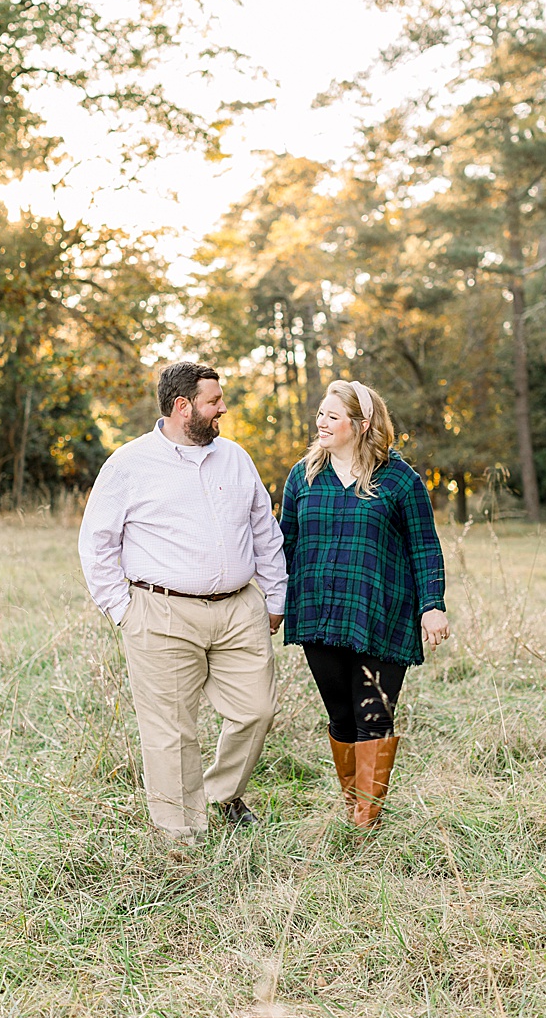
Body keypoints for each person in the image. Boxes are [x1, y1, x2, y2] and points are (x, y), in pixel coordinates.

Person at [78, 362, 287, 845]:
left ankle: (221, 794)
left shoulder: (236, 458)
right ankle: (181, 838)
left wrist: (275, 597)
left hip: (239, 609)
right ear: (182, 406)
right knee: (171, 733)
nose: (224, 409)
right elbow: (97, 542)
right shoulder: (129, 464)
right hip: (161, 613)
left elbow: (264, 531)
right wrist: (122, 609)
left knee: (256, 710)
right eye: (215, 401)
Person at [279, 379, 449, 829]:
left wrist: (432, 604)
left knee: (372, 716)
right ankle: (354, 802)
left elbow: (424, 546)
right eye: (321, 413)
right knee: (340, 716)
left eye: (332, 416)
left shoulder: (399, 479)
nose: (321, 422)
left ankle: (365, 824)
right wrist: (274, 601)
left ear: (361, 424)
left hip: (383, 614)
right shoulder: (303, 476)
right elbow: (286, 544)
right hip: (318, 613)